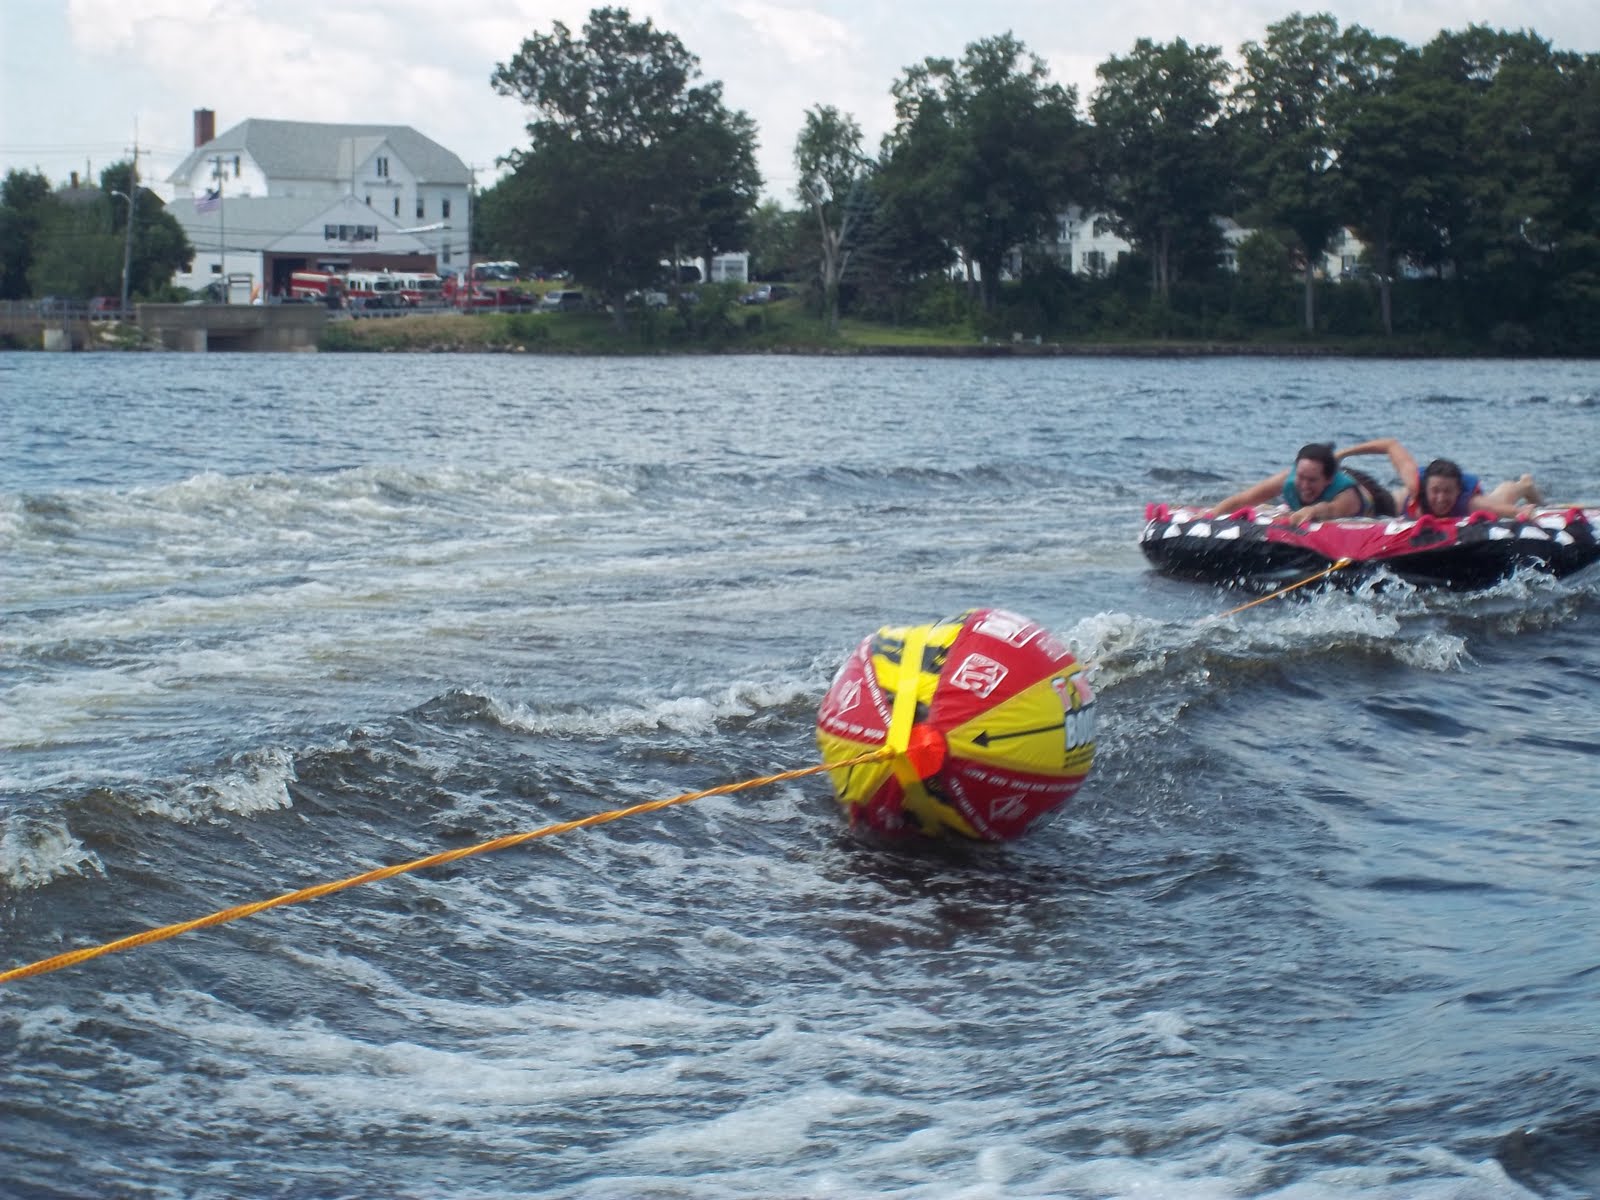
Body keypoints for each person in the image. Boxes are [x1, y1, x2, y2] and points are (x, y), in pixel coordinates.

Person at [1335, 437, 1543, 518]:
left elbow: (1513, 512)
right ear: (1425, 488)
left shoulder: (1468, 503)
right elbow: (1390, 445)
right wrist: (1343, 453)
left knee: (1501, 498)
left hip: (1473, 505)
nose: (1441, 499)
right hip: (1408, 505)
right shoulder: (1414, 484)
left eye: (1448, 492)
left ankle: (1525, 484)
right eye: (1435, 491)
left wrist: (1524, 512)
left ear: (1458, 491)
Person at [1210, 442, 1390, 524]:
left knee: (1396, 503)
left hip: (1375, 498)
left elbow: (1326, 510)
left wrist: (1307, 512)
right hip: (1330, 474)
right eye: (1300, 477)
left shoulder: (1347, 498)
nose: (1303, 485)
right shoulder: (1289, 478)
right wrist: (1211, 515)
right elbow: (1244, 499)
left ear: (1328, 480)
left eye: (1311, 480)